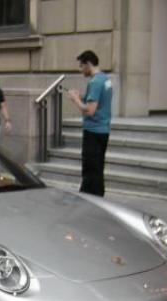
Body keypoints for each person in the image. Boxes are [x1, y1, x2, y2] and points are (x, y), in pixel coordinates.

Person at [67, 50, 113, 197]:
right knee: (98, 169)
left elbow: (89, 110)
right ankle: (99, 196)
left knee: (90, 170)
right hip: (103, 130)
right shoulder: (106, 79)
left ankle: (87, 198)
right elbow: (99, 104)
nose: (81, 70)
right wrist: (81, 96)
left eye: (81, 66)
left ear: (88, 64)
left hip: (93, 130)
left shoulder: (95, 82)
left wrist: (75, 99)